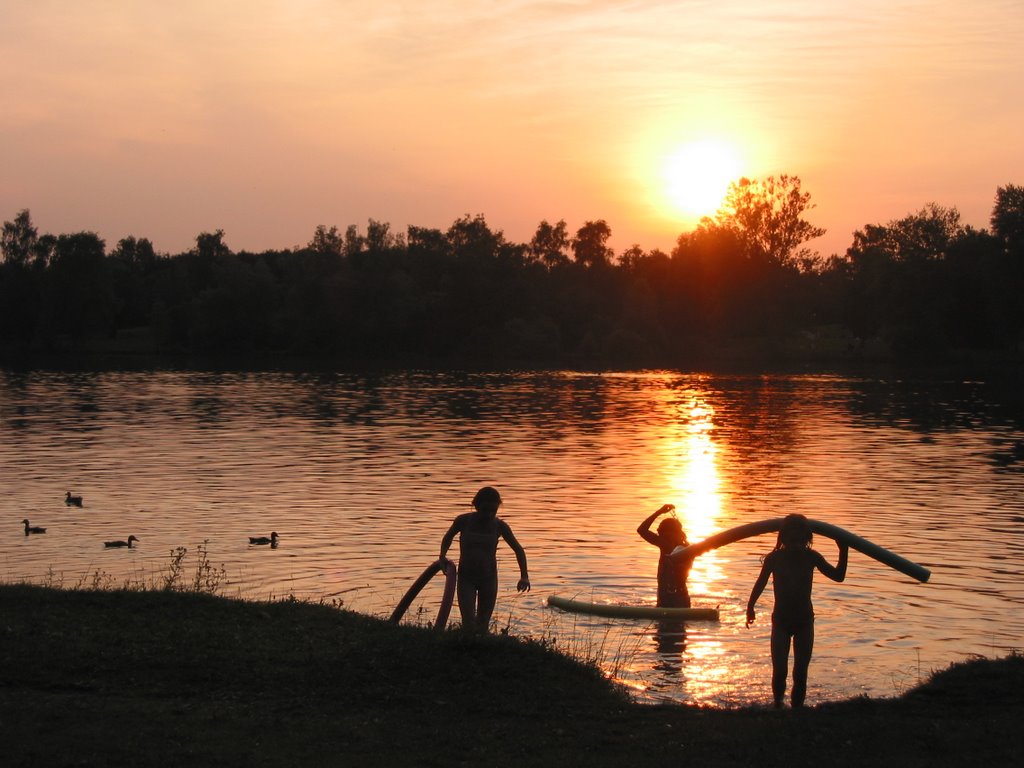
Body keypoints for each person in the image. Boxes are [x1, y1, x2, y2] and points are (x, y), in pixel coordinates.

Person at [745, 513, 849, 709]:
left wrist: (843, 550)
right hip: (781, 622)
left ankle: (797, 709)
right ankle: (778, 705)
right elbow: (760, 583)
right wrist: (750, 607)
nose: (795, 545)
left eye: (800, 541)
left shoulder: (812, 557)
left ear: (807, 540)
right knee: (780, 671)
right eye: (791, 541)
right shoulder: (774, 558)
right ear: (783, 539)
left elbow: (838, 576)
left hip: (804, 622)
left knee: (800, 672)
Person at [439, 486, 530, 632]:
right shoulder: (463, 521)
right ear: (476, 505)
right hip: (466, 578)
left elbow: (518, 550)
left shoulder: (500, 526)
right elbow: (448, 537)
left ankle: (482, 649)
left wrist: (524, 576)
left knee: (482, 625)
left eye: (493, 511)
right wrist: (442, 556)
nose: (488, 514)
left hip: (488, 578)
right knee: (468, 623)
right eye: (485, 510)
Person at [637, 503, 693, 608]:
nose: (660, 536)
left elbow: (684, 571)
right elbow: (641, 530)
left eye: (663, 534)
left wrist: (676, 565)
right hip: (663, 600)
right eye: (660, 534)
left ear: (674, 533)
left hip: (680, 601)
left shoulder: (687, 550)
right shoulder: (664, 545)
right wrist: (659, 512)